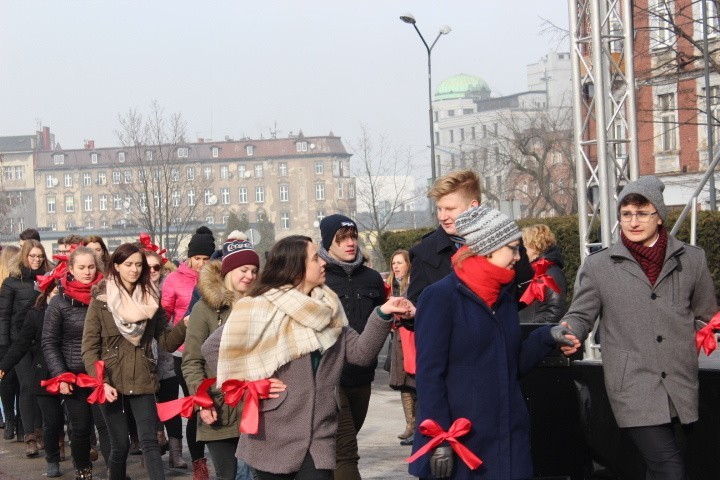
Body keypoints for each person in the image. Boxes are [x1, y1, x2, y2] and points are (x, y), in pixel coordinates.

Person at [204, 235, 411, 480]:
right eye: (315, 258)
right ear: (295, 268)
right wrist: (253, 386)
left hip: (320, 432)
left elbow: (361, 353)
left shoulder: (329, 307)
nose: (323, 262)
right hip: (273, 433)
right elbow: (212, 348)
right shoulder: (258, 306)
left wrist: (383, 314)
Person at [560, 176, 717, 479]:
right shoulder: (599, 266)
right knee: (670, 469)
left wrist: (695, 335)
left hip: (681, 382)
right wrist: (571, 332)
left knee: (662, 468)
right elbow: (580, 315)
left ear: (659, 215)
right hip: (632, 385)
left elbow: (706, 316)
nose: (633, 221)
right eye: (626, 214)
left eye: (642, 213)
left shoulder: (692, 259)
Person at [409, 205, 579, 479]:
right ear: (488, 248)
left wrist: (545, 336)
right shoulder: (440, 297)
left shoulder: (504, 300)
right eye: (512, 248)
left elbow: (510, 366)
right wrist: (441, 438)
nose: (519, 256)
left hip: (508, 440)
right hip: (462, 443)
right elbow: (430, 376)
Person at [81, 243, 188, 480]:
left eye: (139, 265)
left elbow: (167, 343)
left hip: (142, 378)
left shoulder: (151, 300)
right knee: (119, 445)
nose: (134, 269)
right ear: (116, 266)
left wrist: (184, 325)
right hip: (110, 382)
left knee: (149, 442)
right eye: (128, 264)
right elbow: (89, 349)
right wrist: (101, 382)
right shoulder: (101, 302)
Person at [182, 231, 259, 480]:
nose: (250, 276)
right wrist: (201, 399)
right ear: (228, 271)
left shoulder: (262, 306)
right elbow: (192, 361)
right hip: (218, 409)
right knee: (229, 475)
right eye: (243, 270)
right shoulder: (203, 309)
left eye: (254, 271)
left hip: (257, 408)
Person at [317, 214, 385, 480]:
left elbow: (379, 316)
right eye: (342, 238)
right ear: (328, 242)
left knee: (340, 445)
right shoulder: (319, 278)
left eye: (353, 237)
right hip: (332, 378)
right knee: (346, 451)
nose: (350, 243)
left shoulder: (372, 278)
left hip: (363, 377)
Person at [41, 246, 110, 479]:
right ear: (70, 269)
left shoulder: (106, 296)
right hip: (74, 376)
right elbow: (49, 342)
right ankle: (83, 468)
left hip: (103, 374)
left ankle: (114, 468)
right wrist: (60, 375)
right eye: (81, 267)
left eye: (91, 267)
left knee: (108, 426)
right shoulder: (58, 303)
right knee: (79, 428)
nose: (87, 272)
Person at [161, 226, 215, 479]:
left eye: (206, 259)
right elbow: (165, 315)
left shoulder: (217, 278)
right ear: (190, 257)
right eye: (198, 258)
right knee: (195, 406)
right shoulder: (174, 279)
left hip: (213, 353)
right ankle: (198, 461)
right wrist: (177, 330)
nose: (202, 264)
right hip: (184, 352)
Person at [0, 279, 65, 476]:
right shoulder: (36, 314)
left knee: (77, 421)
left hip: (71, 371)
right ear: (45, 295)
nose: (56, 298)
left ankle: (82, 460)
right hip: (44, 372)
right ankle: (52, 458)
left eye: (60, 293)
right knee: (51, 421)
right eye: (53, 294)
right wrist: (4, 366)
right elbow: (21, 344)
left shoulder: (72, 310)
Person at [0, 240, 50, 447]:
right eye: (32, 256)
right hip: (18, 343)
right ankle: (29, 434)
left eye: (40, 256)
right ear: (24, 257)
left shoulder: (49, 279)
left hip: (41, 342)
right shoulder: (12, 282)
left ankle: (37, 431)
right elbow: (4, 315)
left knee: (39, 386)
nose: (36, 259)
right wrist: (4, 345)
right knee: (27, 385)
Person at [145, 250, 182, 467]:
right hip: (144, 359)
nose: (152, 272)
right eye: (147, 268)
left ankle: (176, 452)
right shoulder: (134, 290)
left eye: (156, 267)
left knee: (171, 404)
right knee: (148, 407)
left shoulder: (167, 288)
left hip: (166, 354)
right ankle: (154, 445)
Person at [386, 250, 416, 446]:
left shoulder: (413, 286)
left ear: (408, 264)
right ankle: (410, 425)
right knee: (402, 384)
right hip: (397, 338)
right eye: (393, 263)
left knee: (414, 383)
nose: (396, 266)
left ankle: (419, 426)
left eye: (400, 263)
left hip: (411, 337)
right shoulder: (391, 287)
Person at [518, 224, 567, 324]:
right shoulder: (529, 269)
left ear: (536, 247)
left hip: (534, 332)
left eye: (524, 247)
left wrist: (537, 330)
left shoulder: (550, 272)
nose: (520, 251)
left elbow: (556, 309)